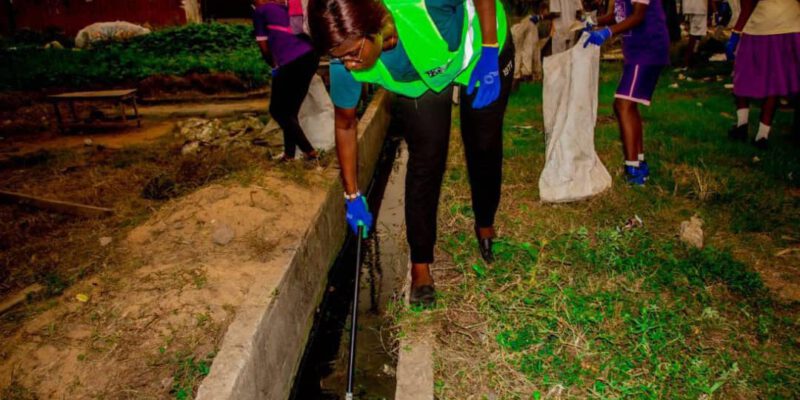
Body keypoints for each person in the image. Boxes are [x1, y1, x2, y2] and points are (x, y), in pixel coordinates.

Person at [308, 0, 515, 307]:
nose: (347, 64)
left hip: (480, 50)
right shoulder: (344, 60)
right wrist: (352, 196)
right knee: (426, 160)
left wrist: (487, 50)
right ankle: (421, 266)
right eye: (338, 57)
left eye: (352, 54)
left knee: (483, 145)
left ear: (374, 26)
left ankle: (485, 222)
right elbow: (346, 124)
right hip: (422, 81)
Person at [584, 0, 670, 185]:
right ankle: (638, 163)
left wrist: (608, 32)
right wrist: (593, 21)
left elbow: (638, 15)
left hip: (647, 48)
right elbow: (616, 15)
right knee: (627, 105)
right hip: (636, 50)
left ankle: (634, 170)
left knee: (623, 104)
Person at [726, 0, 800, 149]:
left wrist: (736, 32)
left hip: (761, 28)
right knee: (775, 81)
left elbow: (748, 4)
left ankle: (742, 125)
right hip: (791, 26)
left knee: (743, 74)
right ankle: (762, 135)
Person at [253, 0, 320, 162]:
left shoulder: (260, 12)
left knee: (277, 110)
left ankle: (309, 151)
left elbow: (264, 47)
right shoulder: (283, 7)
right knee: (290, 111)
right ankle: (289, 155)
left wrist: (274, 66)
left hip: (292, 60)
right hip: (311, 56)